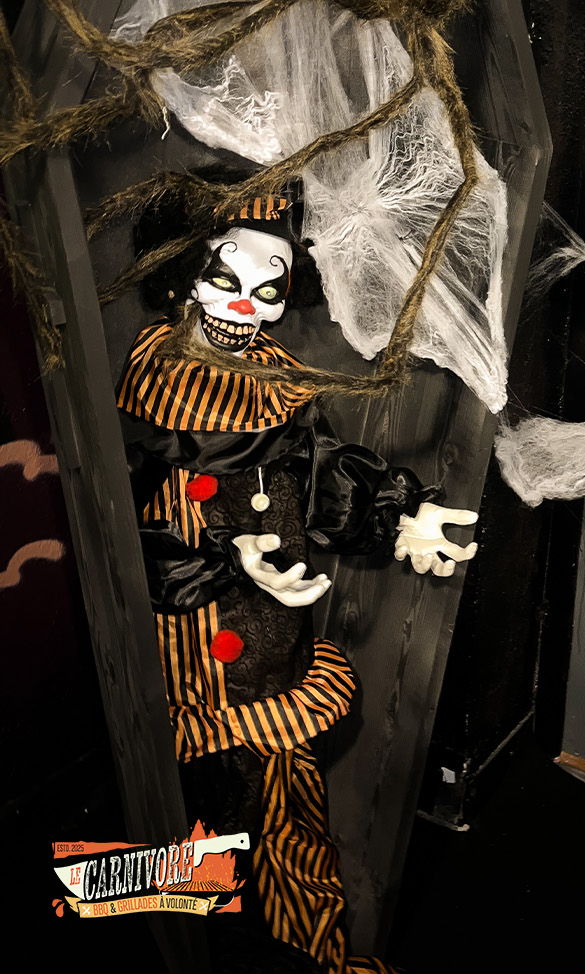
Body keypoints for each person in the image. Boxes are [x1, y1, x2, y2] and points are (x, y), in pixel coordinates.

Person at [117, 191, 477, 973]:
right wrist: (226, 558)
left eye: (269, 286)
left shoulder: (276, 381)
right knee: (205, 847)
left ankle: (313, 952)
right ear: (181, 274)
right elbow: (122, 545)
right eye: (224, 278)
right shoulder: (151, 391)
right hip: (199, 675)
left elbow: (320, 473)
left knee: (291, 817)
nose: (246, 304)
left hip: (279, 654)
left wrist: (400, 513)